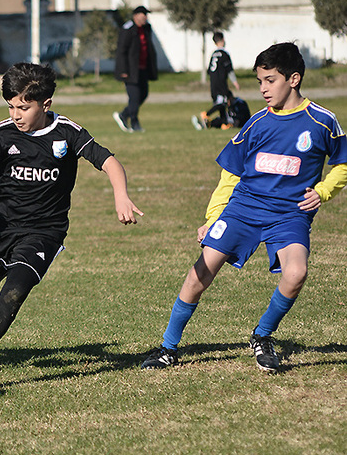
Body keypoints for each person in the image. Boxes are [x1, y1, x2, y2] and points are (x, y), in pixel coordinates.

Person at [141, 42, 347, 373]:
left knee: (296, 273)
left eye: (270, 81)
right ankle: (167, 347)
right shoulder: (256, 123)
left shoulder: (321, 121)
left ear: (293, 79)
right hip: (243, 209)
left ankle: (262, 336)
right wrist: (213, 217)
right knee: (199, 274)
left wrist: (323, 191)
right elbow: (230, 175)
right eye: (259, 82)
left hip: (289, 215)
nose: (263, 89)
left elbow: (342, 163)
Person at [0, 62, 143, 389]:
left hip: (43, 233)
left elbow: (108, 161)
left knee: (15, 291)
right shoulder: (1, 133)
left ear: (45, 104)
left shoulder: (67, 133)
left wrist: (120, 195)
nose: (15, 114)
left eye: (23, 107)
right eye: (10, 106)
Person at [113, 5, 158, 133]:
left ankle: (123, 114)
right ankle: (134, 123)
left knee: (143, 94)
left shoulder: (146, 28)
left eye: (146, 15)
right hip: (130, 70)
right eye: (142, 14)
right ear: (135, 16)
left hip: (142, 69)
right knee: (134, 97)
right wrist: (123, 71)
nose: (145, 17)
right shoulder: (128, 29)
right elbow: (121, 51)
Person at [192, 32, 240, 130]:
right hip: (221, 83)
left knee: (221, 104)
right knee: (222, 102)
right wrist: (235, 82)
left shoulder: (213, 54)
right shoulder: (224, 54)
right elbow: (229, 70)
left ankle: (224, 123)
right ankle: (206, 114)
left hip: (213, 83)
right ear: (222, 40)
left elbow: (209, 71)